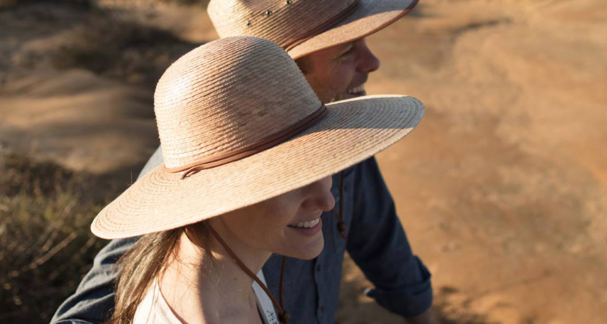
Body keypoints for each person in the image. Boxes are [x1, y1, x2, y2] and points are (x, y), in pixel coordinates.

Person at [52, 0, 439, 323]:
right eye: (346, 51)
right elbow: (94, 306)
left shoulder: (339, 134)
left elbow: (383, 243)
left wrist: (420, 313)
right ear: (288, 71)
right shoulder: (198, 176)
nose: (372, 62)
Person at [91, 36, 424, 324]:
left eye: (323, 167)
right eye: (289, 178)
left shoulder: (232, 273)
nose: (327, 200)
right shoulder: (214, 298)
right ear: (212, 191)